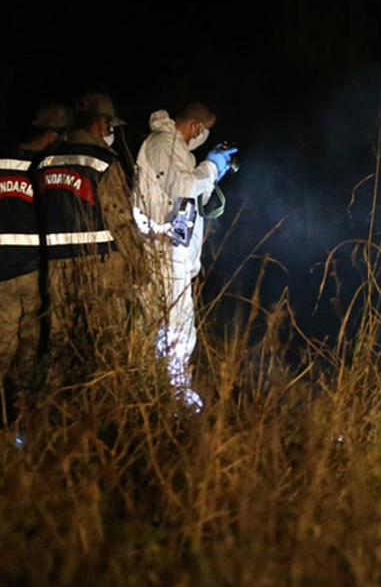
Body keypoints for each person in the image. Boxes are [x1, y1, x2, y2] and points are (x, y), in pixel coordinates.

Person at [0, 103, 70, 421]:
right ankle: (22, 409)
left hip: (1, 272)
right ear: (51, 135)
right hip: (40, 273)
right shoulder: (52, 168)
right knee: (32, 343)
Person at [35, 92, 145, 383]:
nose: (111, 133)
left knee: (59, 345)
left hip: (57, 268)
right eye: (110, 127)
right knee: (106, 347)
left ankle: (44, 415)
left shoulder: (46, 161)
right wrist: (140, 265)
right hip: (101, 267)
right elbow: (120, 218)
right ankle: (100, 414)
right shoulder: (104, 160)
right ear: (100, 123)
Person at [134, 103, 236, 411]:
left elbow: (189, 194)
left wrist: (212, 173)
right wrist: (212, 167)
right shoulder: (164, 144)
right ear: (195, 128)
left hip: (172, 251)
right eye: (204, 131)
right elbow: (185, 186)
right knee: (174, 329)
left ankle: (162, 397)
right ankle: (173, 401)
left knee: (170, 328)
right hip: (164, 252)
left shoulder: (176, 149)